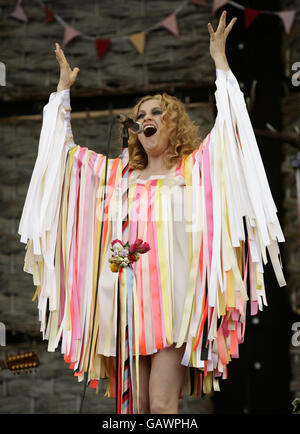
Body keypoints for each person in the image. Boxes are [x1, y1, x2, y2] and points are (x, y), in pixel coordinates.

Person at [18, 11, 286, 414]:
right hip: (126, 304)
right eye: (141, 115)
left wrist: (220, 62)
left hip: (173, 305)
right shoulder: (117, 174)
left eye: (156, 113)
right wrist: (62, 98)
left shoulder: (193, 168)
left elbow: (232, 125)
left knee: (161, 405)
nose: (146, 119)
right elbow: (64, 158)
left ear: (173, 123)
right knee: (134, 408)